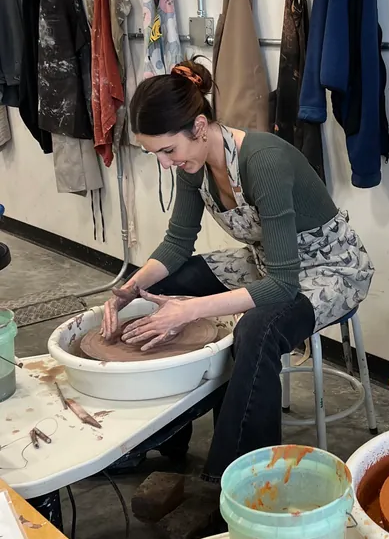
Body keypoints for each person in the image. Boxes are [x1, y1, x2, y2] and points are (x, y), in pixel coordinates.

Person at [103, 58, 373, 482]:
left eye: (167, 151)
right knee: (169, 284)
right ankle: (159, 440)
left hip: (330, 268)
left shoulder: (262, 161)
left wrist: (192, 311)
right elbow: (177, 243)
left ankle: (237, 478)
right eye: (154, 154)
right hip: (271, 261)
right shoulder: (193, 166)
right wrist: (131, 287)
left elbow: (282, 286)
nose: (164, 164)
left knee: (256, 329)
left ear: (198, 126)